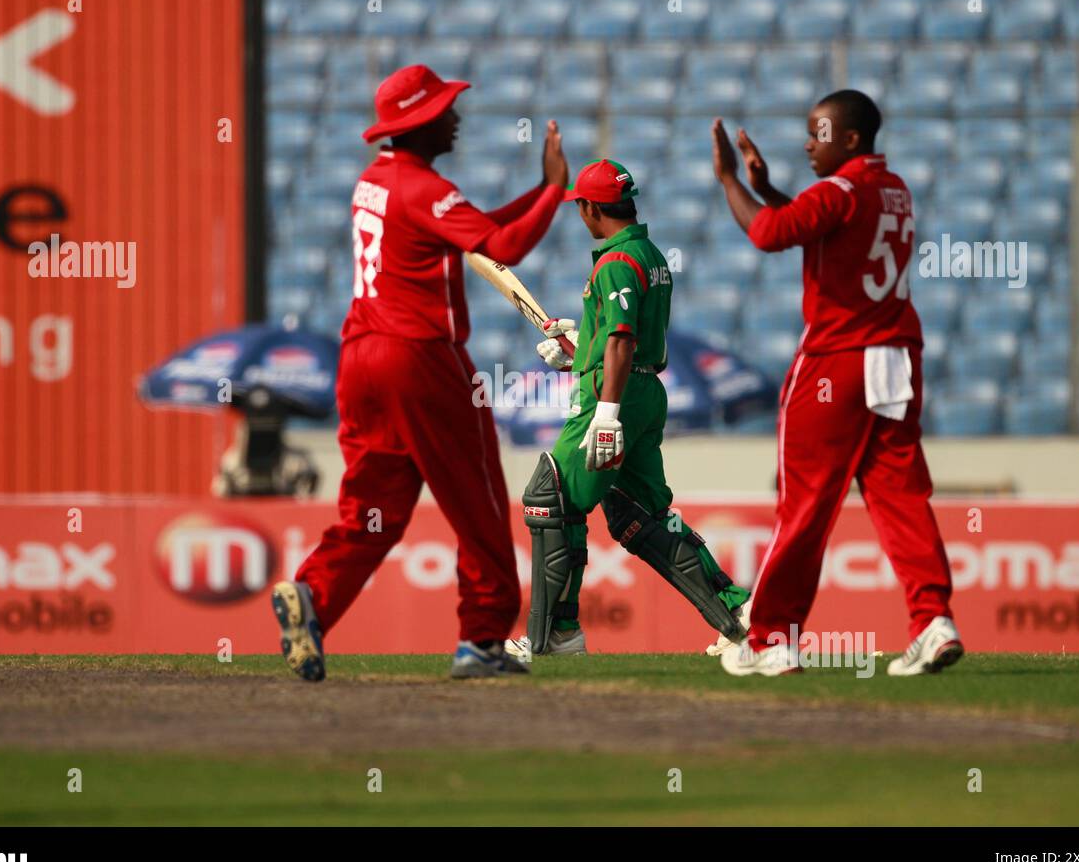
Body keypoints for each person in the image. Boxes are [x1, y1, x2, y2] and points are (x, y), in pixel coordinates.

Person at [271, 64, 568, 681]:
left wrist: (545, 191)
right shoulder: (424, 189)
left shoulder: (375, 181)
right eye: (446, 109)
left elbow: (475, 229)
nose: (456, 119)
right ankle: (483, 639)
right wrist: (554, 188)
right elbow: (501, 248)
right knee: (477, 499)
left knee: (372, 509)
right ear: (424, 122)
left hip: (360, 359)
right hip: (420, 358)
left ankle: (314, 597)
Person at [710, 90, 961, 677]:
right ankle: (932, 621)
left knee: (804, 504)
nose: (807, 142)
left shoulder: (839, 191)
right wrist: (769, 189)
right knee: (901, 495)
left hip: (837, 363)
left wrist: (729, 181)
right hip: (896, 358)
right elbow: (824, 226)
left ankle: (772, 638)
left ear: (849, 139)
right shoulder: (893, 188)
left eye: (818, 133)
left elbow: (771, 234)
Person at [506, 159, 751, 662]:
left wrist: (606, 412)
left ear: (590, 208)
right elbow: (620, 339)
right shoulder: (649, 254)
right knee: (641, 516)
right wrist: (578, 350)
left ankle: (554, 634)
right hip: (642, 391)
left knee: (550, 500)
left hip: (613, 397)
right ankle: (737, 612)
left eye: (580, 207)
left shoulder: (615, 261)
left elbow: (621, 338)